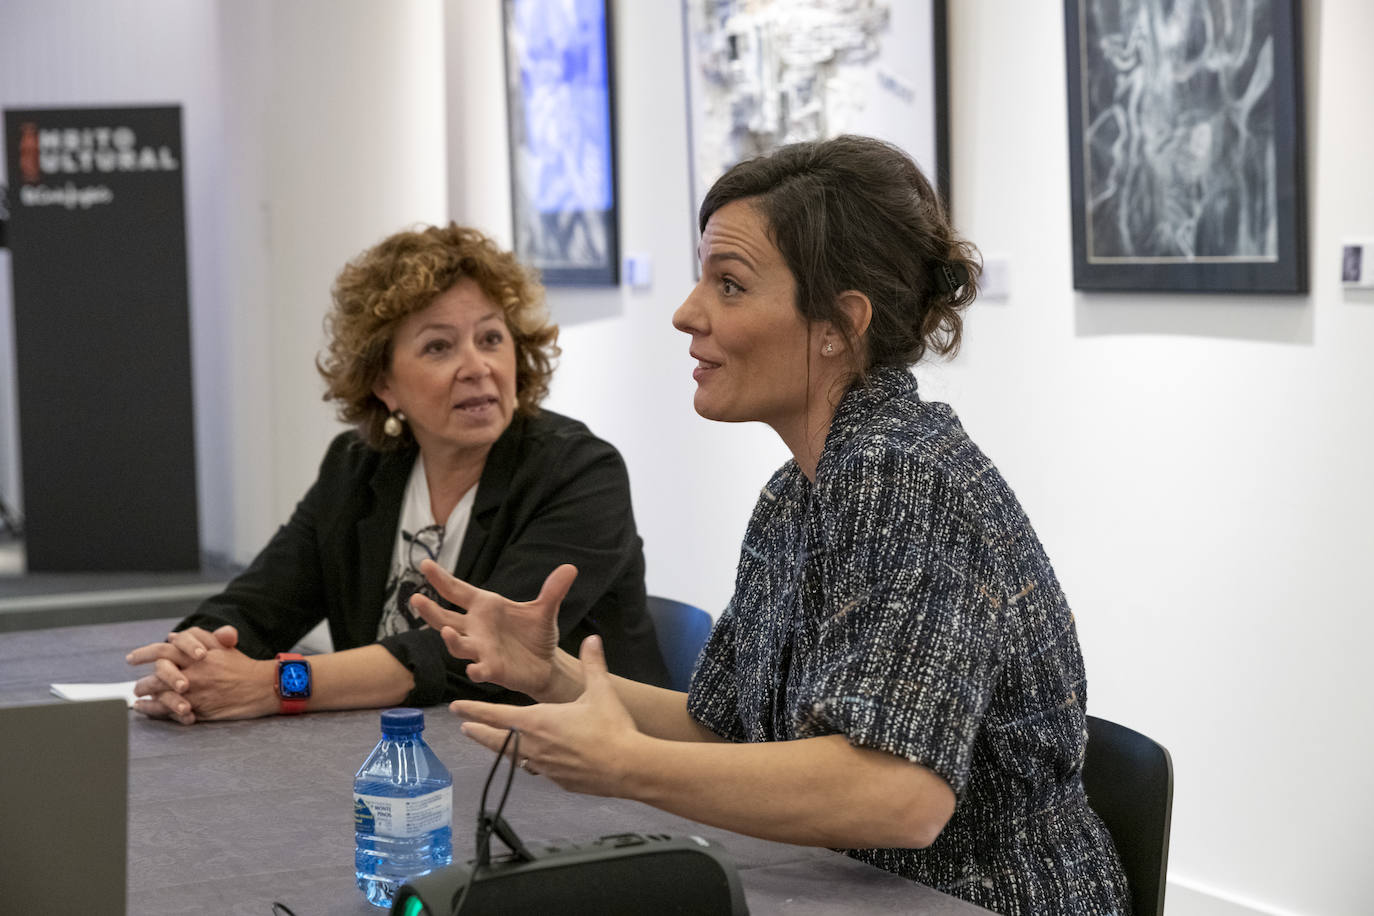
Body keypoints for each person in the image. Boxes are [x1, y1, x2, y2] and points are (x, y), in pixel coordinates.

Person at [409, 137, 1132, 916]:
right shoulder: (798, 492)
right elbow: (727, 733)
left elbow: (900, 796)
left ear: (839, 325)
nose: (688, 313)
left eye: (729, 284)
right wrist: (554, 676)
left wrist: (627, 767)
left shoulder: (905, 479)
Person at [126, 223, 668, 724]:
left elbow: (467, 653)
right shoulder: (358, 467)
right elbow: (259, 603)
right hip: (405, 755)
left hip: (578, 765)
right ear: (383, 382)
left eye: (491, 338)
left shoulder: (579, 472)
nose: (477, 367)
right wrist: (191, 656)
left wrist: (278, 684)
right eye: (438, 347)